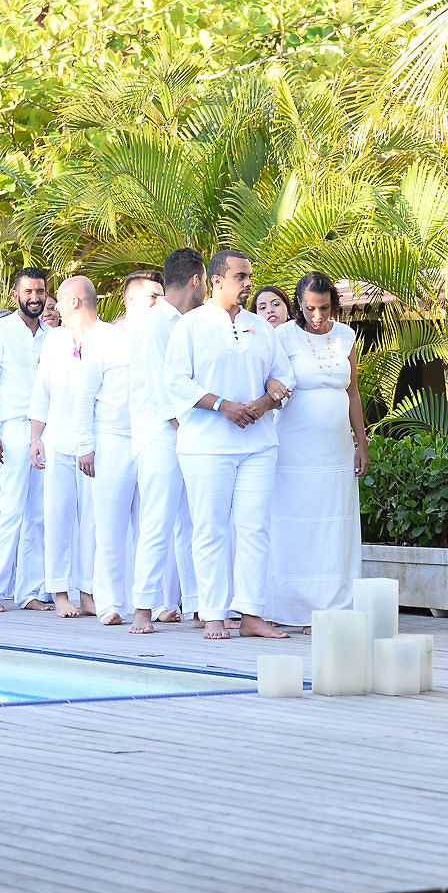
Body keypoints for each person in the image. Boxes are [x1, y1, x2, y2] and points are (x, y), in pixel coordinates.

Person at [166, 249, 295, 640]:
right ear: (216, 280)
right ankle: (214, 615)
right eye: (241, 277)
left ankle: (252, 614)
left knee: (255, 528)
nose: (248, 284)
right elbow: (175, 381)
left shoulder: (262, 328)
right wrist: (222, 405)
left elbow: (282, 377)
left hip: (258, 444)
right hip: (206, 446)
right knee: (210, 530)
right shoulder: (190, 326)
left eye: (249, 277)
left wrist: (266, 399)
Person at [267, 271, 367, 625]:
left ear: (333, 304)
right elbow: (269, 379)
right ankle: (288, 607)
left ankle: (332, 609)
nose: (317, 316)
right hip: (293, 448)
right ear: (299, 305)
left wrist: (362, 442)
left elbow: (352, 391)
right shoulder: (282, 336)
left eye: (323, 308)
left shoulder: (346, 336)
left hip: (336, 449)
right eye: (310, 308)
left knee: (334, 525)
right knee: (295, 523)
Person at [128, 250, 202, 634]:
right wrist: (192, 431)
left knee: (193, 522)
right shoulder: (156, 325)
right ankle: (143, 607)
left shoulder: (190, 322)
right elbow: (162, 394)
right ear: (196, 280)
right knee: (157, 520)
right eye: (205, 281)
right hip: (161, 435)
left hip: (188, 434)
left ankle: (196, 603)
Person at [79, 271, 157, 625]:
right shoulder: (106, 339)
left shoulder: (165, 336)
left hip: (151, 438)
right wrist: (85, 445)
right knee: (109, 526)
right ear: (131, 300)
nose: (159, 302)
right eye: (152, 297)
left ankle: (153, 601)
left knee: (151, 525)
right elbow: (84, 396)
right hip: (111, 439)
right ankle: (109, 603)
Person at [0, 268, 53, 613]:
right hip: (13, 428)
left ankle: (29, 592)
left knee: (38, 514)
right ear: (15, 294)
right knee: (10, 510)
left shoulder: (52, 335)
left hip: (46, 430)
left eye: (40, 291)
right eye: (28, 292)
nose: (35, 298)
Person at [29, 276, 103, 617]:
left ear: (75, 301)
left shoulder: (108, 337)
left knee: (93, 520)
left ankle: (89, 591)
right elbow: (41, 390)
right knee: (57, 516)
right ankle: (59, 591)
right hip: (57, 439)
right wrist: (35, 437)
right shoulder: (54, 340)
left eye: (58, 298)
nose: (52, 304)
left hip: (97, 441)